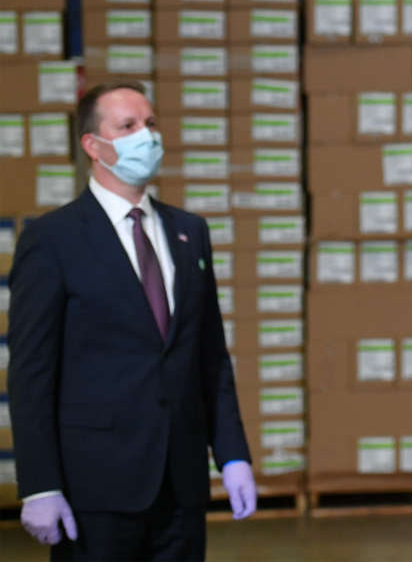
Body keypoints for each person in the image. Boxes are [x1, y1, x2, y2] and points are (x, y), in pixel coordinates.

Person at [8, 82, 257, 560]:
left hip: (181, 486)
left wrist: (232, 453)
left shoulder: (190, 232)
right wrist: (39, 484)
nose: (147, 136)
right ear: (93, 146)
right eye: (128, 126)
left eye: (151, 124)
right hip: (96, 489)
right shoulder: (52, 240)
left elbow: (210, 358)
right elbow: (31, 374)